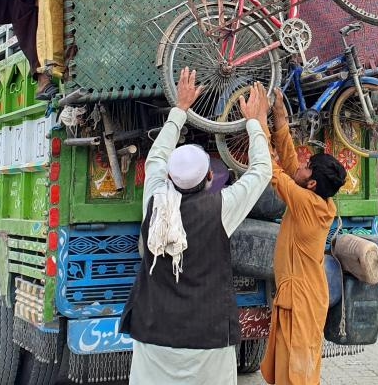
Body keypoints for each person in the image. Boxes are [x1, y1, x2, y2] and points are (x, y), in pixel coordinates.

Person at [122, 71, 272, 384]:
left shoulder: (155, 200)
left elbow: (157, 157)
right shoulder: (221, 208)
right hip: (208, 337)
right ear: (209, 180)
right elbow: (261, 172)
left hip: (154, 332)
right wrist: (254, 122)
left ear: (169, 178)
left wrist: (181, 108)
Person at [261, 90, 347, 385]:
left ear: (311, 183)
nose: (301, 164)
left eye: (307, 166)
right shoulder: (317, 198)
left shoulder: (307, 204)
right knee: (297, 367)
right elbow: (288, 165)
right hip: (303, 295)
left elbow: (273, 171)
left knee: (297, 374)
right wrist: (280, 120)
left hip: (301, 299)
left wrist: (257, 121)